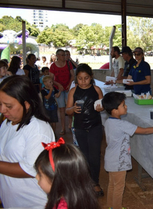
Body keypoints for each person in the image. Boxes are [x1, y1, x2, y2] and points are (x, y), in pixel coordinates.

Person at [102, 92, 153, 209]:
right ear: (114, 110)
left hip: (110, 159)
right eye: (123, 105)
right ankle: (116, 207)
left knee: (112, 185)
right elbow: (144, 131)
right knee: (119, 187)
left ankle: (111, 206)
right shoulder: (121, 124)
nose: (126, 107)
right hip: (119, 162)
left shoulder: (108, 122)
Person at [0, 75, 55, 208]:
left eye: (8, 106)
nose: (2, 110)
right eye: (0, 104)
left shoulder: (39, 129)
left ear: (26, 104)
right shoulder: (7, 123)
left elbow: (30, 168)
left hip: (34, 203)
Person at [65, 63, 104, 196]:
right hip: (80, 128)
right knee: (84, 155)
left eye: (86, 78)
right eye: (80, 78)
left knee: (95, 156)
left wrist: (100, 107)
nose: (83, 81)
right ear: (76, 78)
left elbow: (102, 105)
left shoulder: (97, 90)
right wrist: (72, 110)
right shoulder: (73, 91)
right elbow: (67, 110)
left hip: (95, 127)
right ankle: (86, 181)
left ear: (91, 77)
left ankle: (95, 182)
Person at [34, 138, 100, 209]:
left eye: (40, 175)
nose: (36, 177)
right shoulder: (81, 197)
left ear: (57, 180)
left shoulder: (62, 206)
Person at [50, 49, 74, 135]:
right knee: (61, 108)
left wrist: (69, 84)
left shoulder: (68, 63)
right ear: (58, 56)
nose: (64, 57)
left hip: (67, 88)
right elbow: (51, 79)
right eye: (63, 55)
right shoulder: (53, 66)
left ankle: (70, 125)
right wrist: (58, 85)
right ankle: (63, 127)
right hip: (59, 89)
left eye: (65, 55)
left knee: (70, 107)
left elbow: (72, 75)